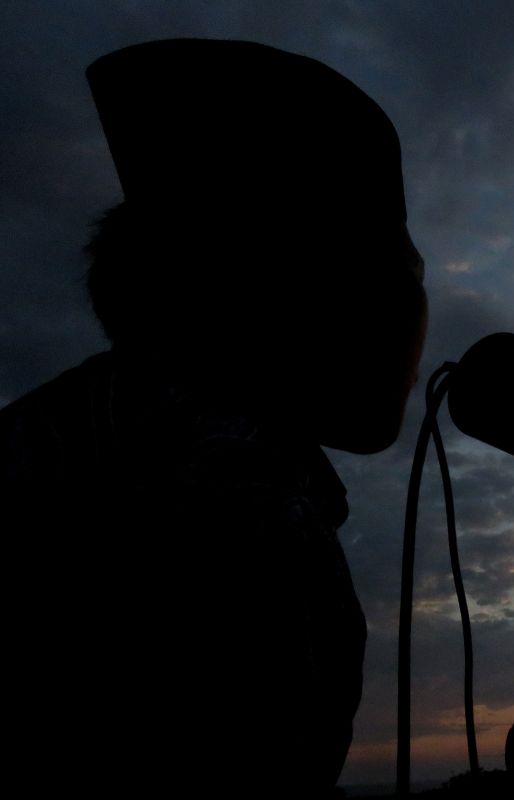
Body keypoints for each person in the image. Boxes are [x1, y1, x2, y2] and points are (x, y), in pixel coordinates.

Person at [0, 39, 427, 796]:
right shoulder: (237, 502)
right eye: (398, 276)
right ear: (280, 289)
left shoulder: (70, 432)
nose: (412, 322)